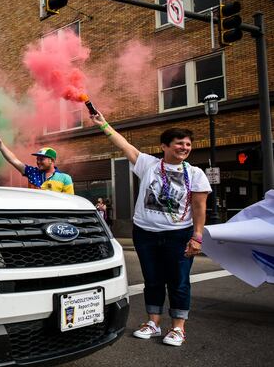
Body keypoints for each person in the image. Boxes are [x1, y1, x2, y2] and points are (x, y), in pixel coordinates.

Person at [89, 111, 211, 347]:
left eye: (188, 144)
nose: (185, 147)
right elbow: (125, 146)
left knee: (179, 281)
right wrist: (103, 124)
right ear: (164, 146)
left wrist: (197, 236)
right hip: (145, 234)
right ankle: (153, 323)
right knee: (153, 280)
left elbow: (199, 206)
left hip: (179, 235)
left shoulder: (195, 174)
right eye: (179, 143)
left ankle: (178, 328)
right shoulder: (149, 165)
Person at [0, 135, 74, 194]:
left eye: (41, 159)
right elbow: (13, 160)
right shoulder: (32, 172)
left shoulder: (65, 178)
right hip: (33, 216)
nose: (38, 162)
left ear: (51, 160)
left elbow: (70, 201)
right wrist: (0, 145)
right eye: (37, 159)